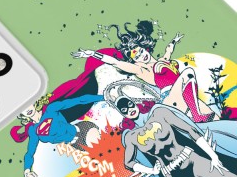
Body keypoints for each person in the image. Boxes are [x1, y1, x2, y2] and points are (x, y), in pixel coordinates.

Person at [72, 21, 217, 123]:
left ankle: (197, 115)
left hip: (186, 95)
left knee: (214, 117)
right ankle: (196, 115)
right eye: (137, 57)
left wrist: (174, 41)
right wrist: (93, 54)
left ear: (145, 48)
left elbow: (168, 51)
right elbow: (115, 62)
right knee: (188, 73)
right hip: (171, 99)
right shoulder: (141, 70)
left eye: (141, 52)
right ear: (134, 61)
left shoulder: (163, 61)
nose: (142, 56)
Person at [11, 93, 103, 177]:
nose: (27, 109)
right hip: (76, 144)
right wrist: (27, 171)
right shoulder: (33, 130)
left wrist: (103, 97)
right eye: (22, 109)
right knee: (99, 163)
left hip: (82, 130)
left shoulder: (51, 109)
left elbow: (78, 100)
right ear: (20, 114)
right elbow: (30, 153)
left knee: (100, 148)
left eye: (27, 103)